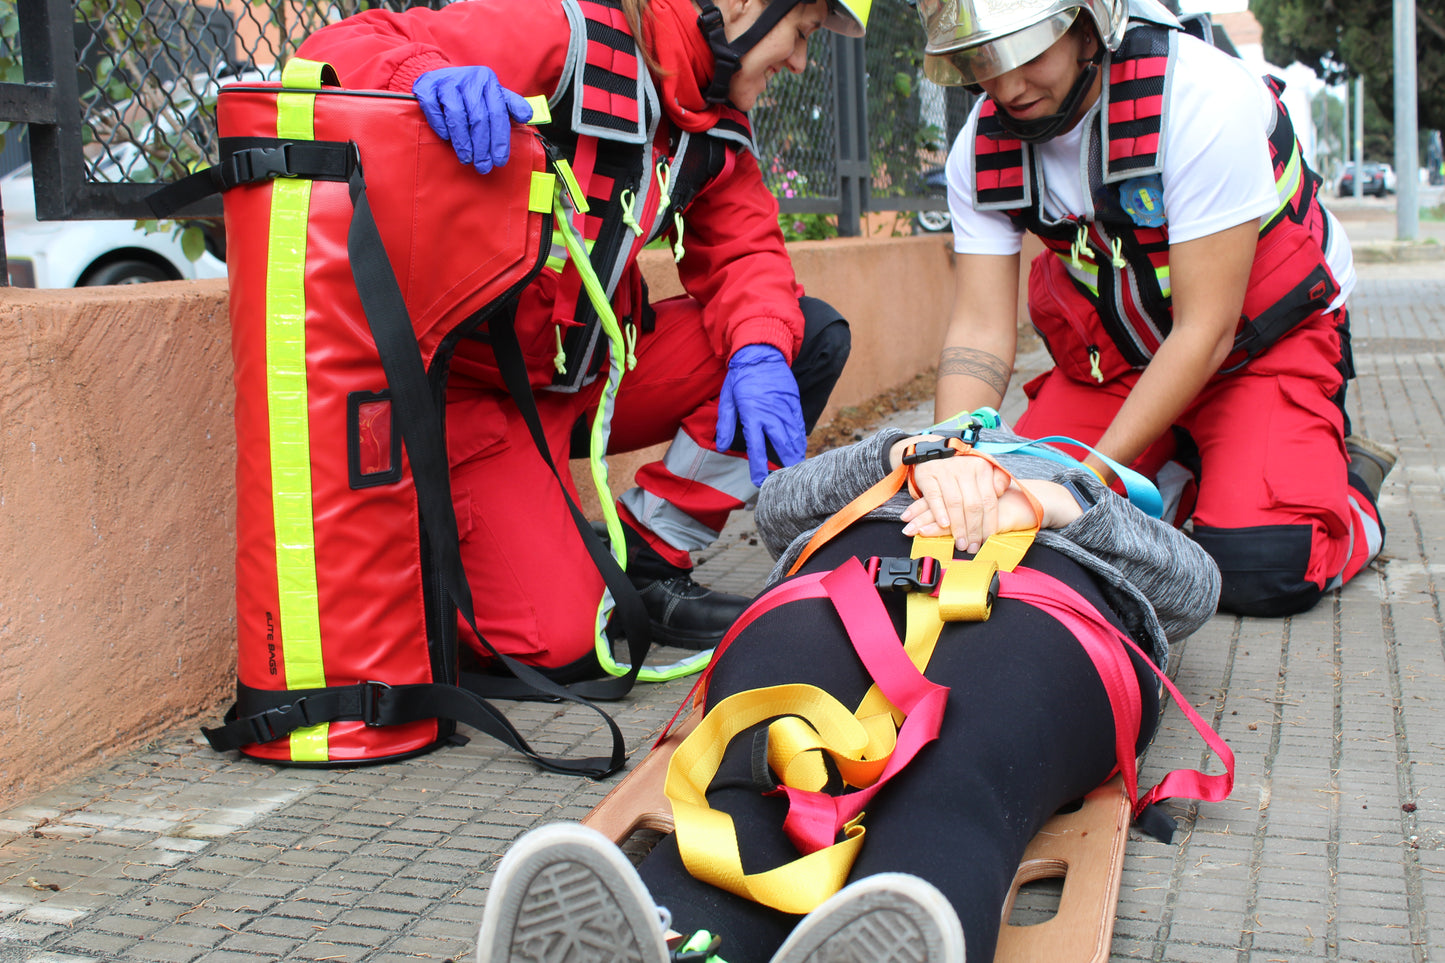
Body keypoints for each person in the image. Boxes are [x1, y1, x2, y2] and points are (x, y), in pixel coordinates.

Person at [470, 417, 1225, 963]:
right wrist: (907, 453)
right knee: (761, 772)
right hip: (840, 587)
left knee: (950, 786)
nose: (993, 446)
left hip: (1035, 604)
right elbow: (778, 507)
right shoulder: (905, 459)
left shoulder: (1089, 494)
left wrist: (1052, 499)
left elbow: (1192, 587)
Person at [293, 0, 866, 672]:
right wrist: (423, 74)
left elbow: (747, 259)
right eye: (800, 33)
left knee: (801, 334)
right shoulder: (568, 35)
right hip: (481, 399)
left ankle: (649, 556)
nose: (800, 61)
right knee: (557, 643)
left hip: (588, 378)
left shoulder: (710, 125)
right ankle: (489, 540)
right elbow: (342, 42)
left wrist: (762, 349)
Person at [916, 0, 1394, 617]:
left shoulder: (1199, 99)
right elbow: (980, 328)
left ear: (1090, 24)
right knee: (1017, 527)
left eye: (1028, 50)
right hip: (1125, 361)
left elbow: (1206, 330)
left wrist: (1086, 486)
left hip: (1256, 349)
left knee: (1262, 568)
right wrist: (950, 457)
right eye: (983, 56)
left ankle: (1348, 489)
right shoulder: (979, 148)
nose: (1006, 84)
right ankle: (1187, 473)